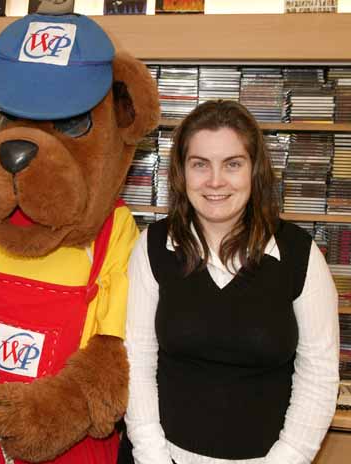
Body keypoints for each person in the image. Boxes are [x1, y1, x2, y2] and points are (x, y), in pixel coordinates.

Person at [122, 100, 340, 464]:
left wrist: (285, 460)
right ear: (181, 172)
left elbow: (318, 373)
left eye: (232, 164)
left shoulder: (299, 254)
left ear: (254, 171)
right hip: (164, 456)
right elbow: (137, 360)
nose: (215, 181)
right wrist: (154, 458)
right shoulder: (152, 247)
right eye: (200, 164)